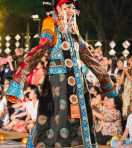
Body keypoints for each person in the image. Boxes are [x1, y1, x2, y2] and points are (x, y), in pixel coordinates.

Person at [7, 0, 117, 147]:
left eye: (72, 7)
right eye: (67, 7)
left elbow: (91, 59)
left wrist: (106, 83)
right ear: (58, 9)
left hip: (78, 87)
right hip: (56, 86)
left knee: (78, 126)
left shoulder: (75, 34)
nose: (71, 10)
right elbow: (37, 52)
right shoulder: (50, 27)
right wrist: (18, 81)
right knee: (54, 125)